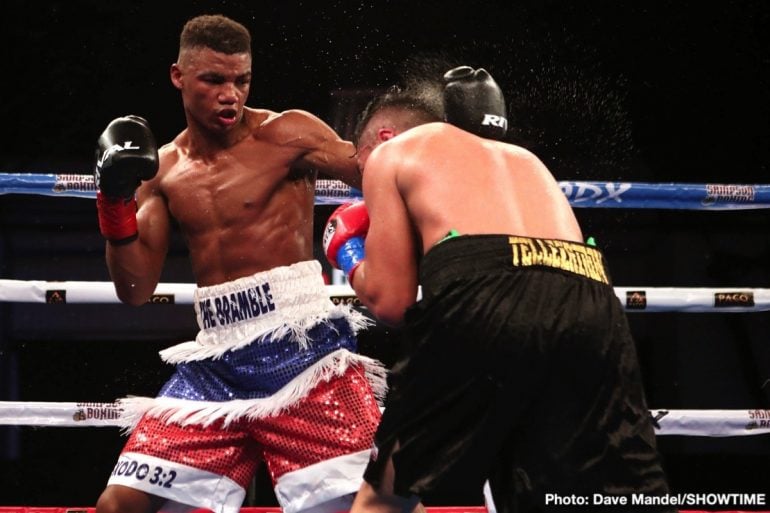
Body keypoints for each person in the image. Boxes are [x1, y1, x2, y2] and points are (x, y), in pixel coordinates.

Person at [323, 67, 674, 512]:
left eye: (358, 161)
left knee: (386, 495)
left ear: (384, 135)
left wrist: (348, 252)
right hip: (589, 296)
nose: (360, 175)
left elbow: (390, 302)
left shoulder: (393, 153)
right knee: (590, 495)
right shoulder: (527, 161)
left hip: (485, 293)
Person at [93, 14, 386, 513]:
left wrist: (434, 148)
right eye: (213, 80)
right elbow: (135, 288)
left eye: (241, 80)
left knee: (363, 507)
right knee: (118, 507)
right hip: (215, 364)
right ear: (178, 77)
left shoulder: (288, 133)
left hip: (303, 352)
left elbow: (375, 170)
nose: (230, 94)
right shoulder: (162, 170)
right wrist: (114, 202)